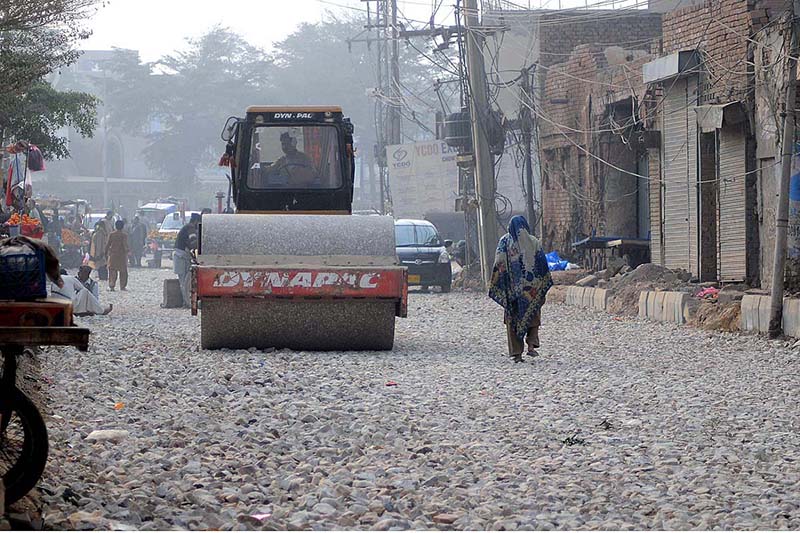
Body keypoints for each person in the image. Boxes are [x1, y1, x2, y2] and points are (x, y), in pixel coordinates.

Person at [488, 215, 553, 363]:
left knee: (512, 319)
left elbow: (499, 261)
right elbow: (542, 263)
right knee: (533, 314)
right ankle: (531, 344)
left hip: (513, 292)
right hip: (532, 290)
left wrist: (503, 279)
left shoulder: (504, 241)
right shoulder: (534, 241)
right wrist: (539, 283)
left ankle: (516, 353)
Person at [173, 212, 201, 308]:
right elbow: (193, 242)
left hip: (181, 256)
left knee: (184, 280)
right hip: (181, 257)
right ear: (196, 221)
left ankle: (186, 302)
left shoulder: (187, 227)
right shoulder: (190, 228)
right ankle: (186, 303)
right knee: (185, 281)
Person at [106, 219, 129, 291]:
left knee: (112, 270)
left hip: (113, 254)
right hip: (122, 255)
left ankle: (112, 285)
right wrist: (128, 251)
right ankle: (122, 286)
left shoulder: (112, 234)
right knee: (123, 271)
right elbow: (125, 245)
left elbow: (108, 244)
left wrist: (105, 252)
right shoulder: (124, 235)